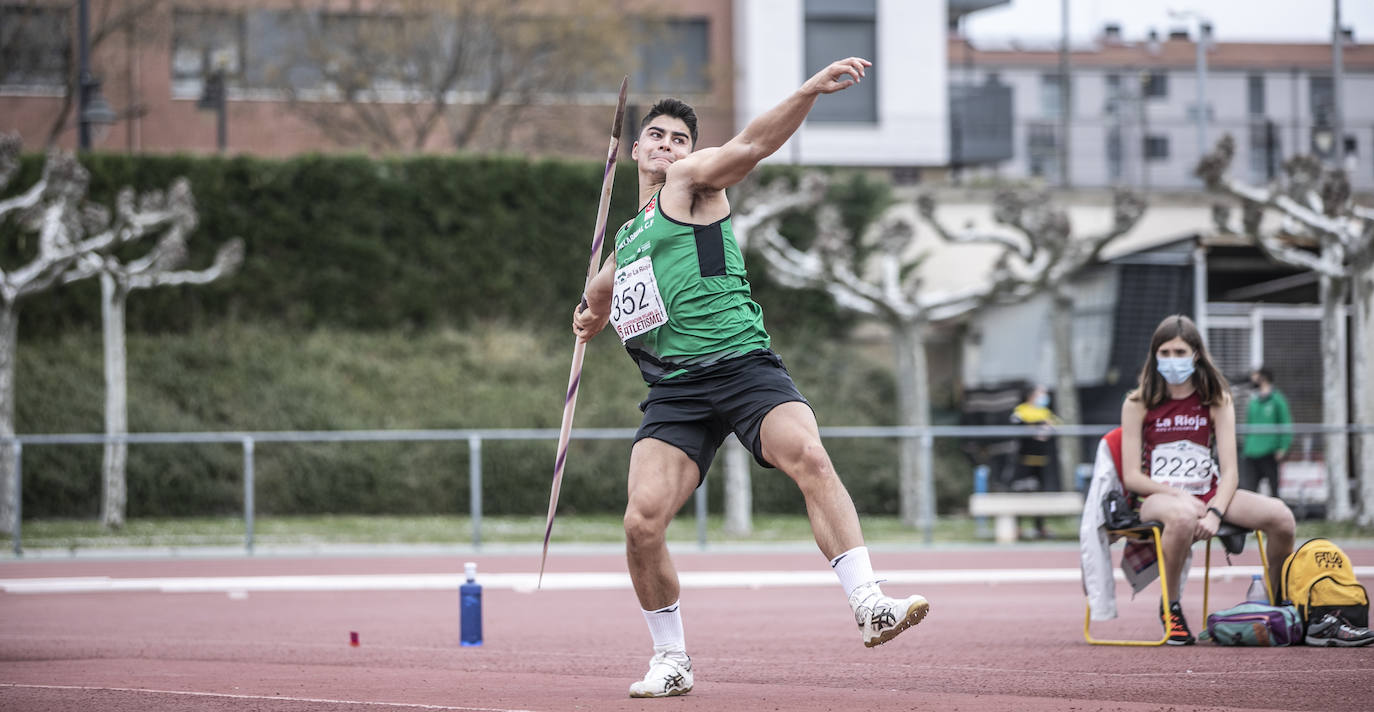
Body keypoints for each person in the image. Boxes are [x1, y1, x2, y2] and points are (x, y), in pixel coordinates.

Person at [572, 57, 927, 698]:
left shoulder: (692, 184)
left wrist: (809, 91)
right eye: (657, 136)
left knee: (810, 457)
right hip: (675, 390)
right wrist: (587, 317)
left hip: (742, 365)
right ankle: (670, 659)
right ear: (635, 150)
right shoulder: (627, 237)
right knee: (639, 524)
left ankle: (870, 601)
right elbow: (600, 295)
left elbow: (755, 145)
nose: (670, 146)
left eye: (681, 138)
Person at [1119, 315, 1295, 645]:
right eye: (1165, 353)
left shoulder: (1217, 399)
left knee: (1282, 517)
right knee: (1183, 516)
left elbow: (1230, 472)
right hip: (1158, 497)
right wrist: (1176, 495)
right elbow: (1132, 477)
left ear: (1196, 355)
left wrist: (1214, 512)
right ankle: (1170, 607)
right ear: (1154, 355)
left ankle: (1279, 602)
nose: (1172, 360)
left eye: (1180, 352)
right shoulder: (1137, 402)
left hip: (1208, 491)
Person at [1009, 384, 1061, 538]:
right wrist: (1036, 425)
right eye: (1040, 394)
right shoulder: (1021, 411)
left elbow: (1056, 425)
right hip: (1024, 460)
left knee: (1040, 493)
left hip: (1042, 460)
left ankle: (1040, 527)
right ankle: (1017, 526)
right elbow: (1016, 425)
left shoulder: (1045, 413)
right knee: (1020, 492)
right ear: (1031, 395)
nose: (1044, 397)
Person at [1241, 367, 1292, 496]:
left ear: (1263, 378)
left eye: (1255, 376)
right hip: (1252, 452)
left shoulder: (1277, 399)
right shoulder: (1253, 401)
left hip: (1269, 451)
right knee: (1250, 490)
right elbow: (1249, 424)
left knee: (1273, 489)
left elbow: (1286, 424)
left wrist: (1283, 447)